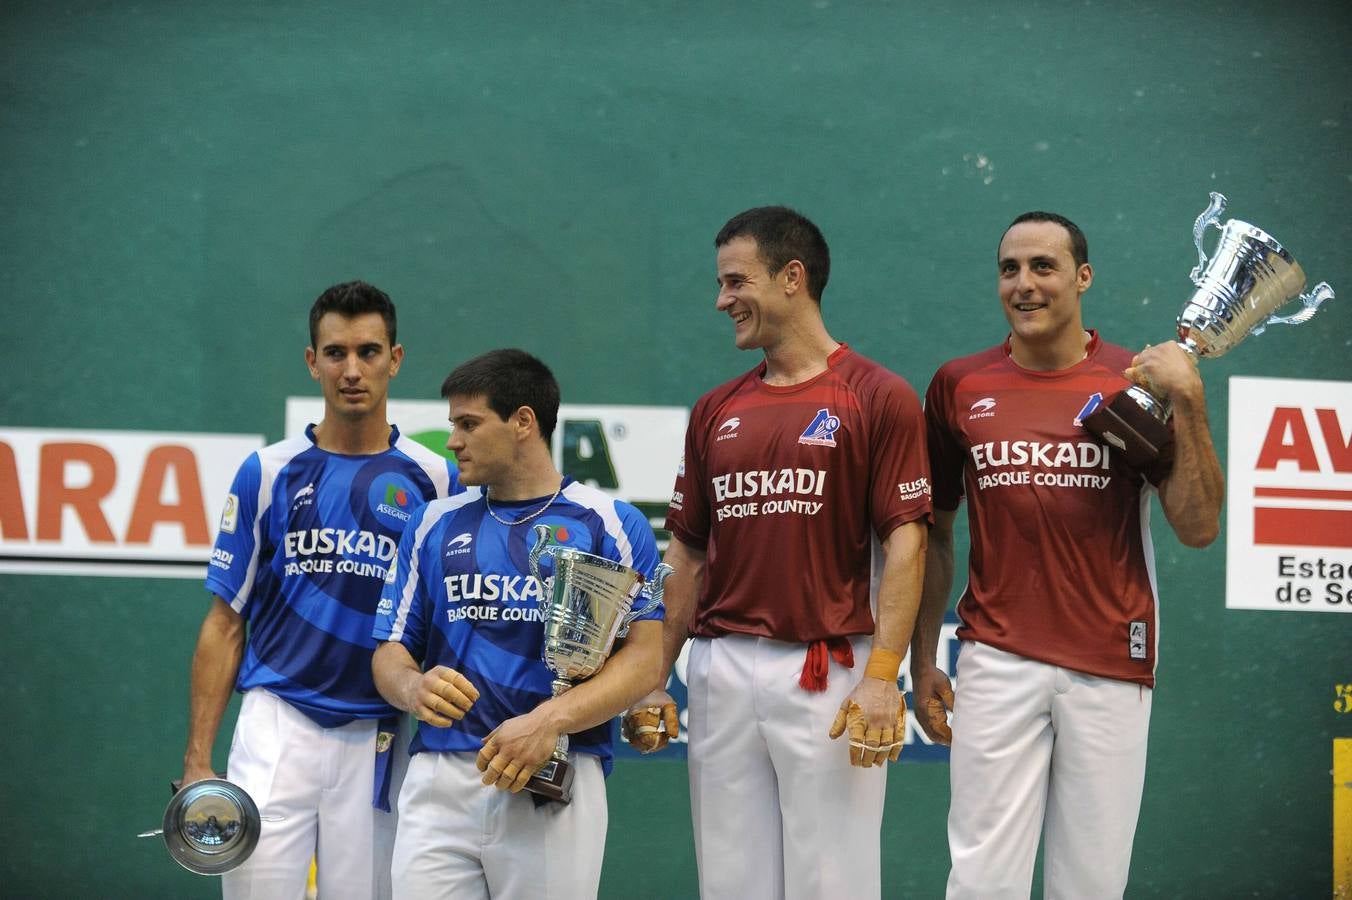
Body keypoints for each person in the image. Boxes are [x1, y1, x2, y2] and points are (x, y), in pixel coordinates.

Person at [912, 211, 1224, 898]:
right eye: (1009, 269)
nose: (1023, 284)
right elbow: (933, 531)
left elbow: (1197, 527)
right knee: (980, 881)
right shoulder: (959, 386)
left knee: (1091, 885)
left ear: (1082, 277)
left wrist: (1190, 399)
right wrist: (924, 658)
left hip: (1110, 662)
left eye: (1043, 267)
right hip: (995, 658)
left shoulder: (1134, 382)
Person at [623, 206, 932, 900]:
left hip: (828, 672)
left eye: (737, 282)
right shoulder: (714, 410)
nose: (722, 300)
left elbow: (907, 543)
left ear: (792, 278)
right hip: (721, 671)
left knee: (833, 885)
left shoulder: (878, 396)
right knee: (729, 885)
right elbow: (688, 556)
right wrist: (653, 675)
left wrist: (885, 674)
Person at [181, 281, 460, 899]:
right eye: (335, 353)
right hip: (277, 724)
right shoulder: (268, 472)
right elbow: (224, 621)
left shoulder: (438, 478)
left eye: (368, 351)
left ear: (396, 358)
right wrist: (198, 759)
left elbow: (451, 619)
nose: (352, 370)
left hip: (382, 732)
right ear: (313, 362)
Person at [372, 348, 665, 899]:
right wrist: (413, 688)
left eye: (468, 423)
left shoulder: (610, 523)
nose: (453, 440)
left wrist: (549, 722)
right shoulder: (431, 523)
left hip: (554, 776)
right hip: (441, 779)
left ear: (524, 422)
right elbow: (389, 651)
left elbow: (646, 658)